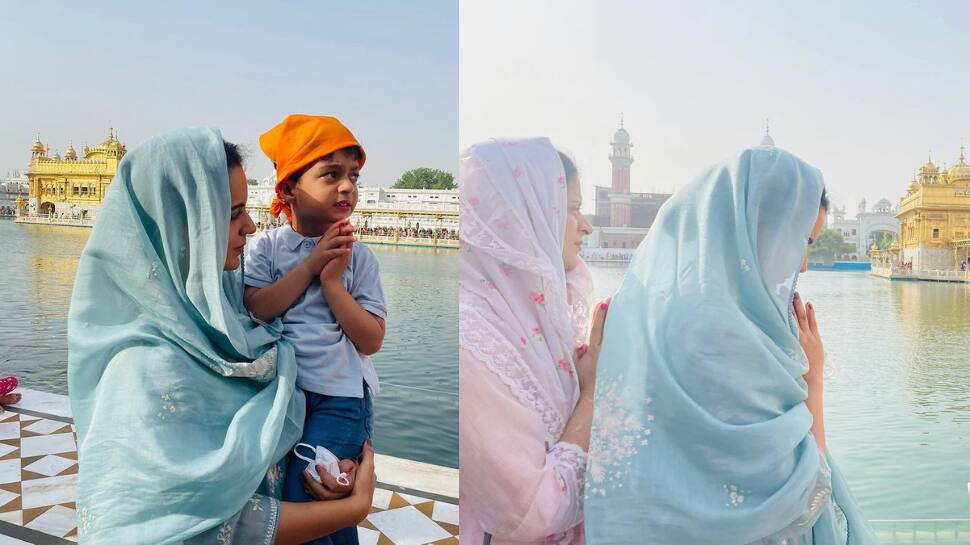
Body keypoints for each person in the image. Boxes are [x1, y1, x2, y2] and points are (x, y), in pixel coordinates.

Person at [68, 128, 375, 544]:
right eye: (232, 214)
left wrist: (333, 461)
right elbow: (191, 523)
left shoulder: (229, 319)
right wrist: (351, 509)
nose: (250, 226)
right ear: (182, 225)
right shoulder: (143, 369)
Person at [584, 147, 877, 544]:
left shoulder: (652, 322)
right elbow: (806, 494)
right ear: (757, 233)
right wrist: (814, 383)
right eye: (801, 242)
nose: (803, 264)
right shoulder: (732, 347)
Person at [244, 115, 387, 545]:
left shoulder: (358, 259)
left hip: (339, 400)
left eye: (354, 176)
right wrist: (310, 266)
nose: (347, 187)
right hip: (285, 397)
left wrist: (331, 283)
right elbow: (257, 308)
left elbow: (372, 339)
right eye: (331, 174)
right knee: (326, 508)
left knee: (306, 495)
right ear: (289, 189)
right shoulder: (267, 248)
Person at [459, 138, 610, 545]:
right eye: (573, 209)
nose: (586, 225)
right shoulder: (475, 343)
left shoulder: (530, 317)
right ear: (524, 216)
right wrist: (591, 393)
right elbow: (533, 512)